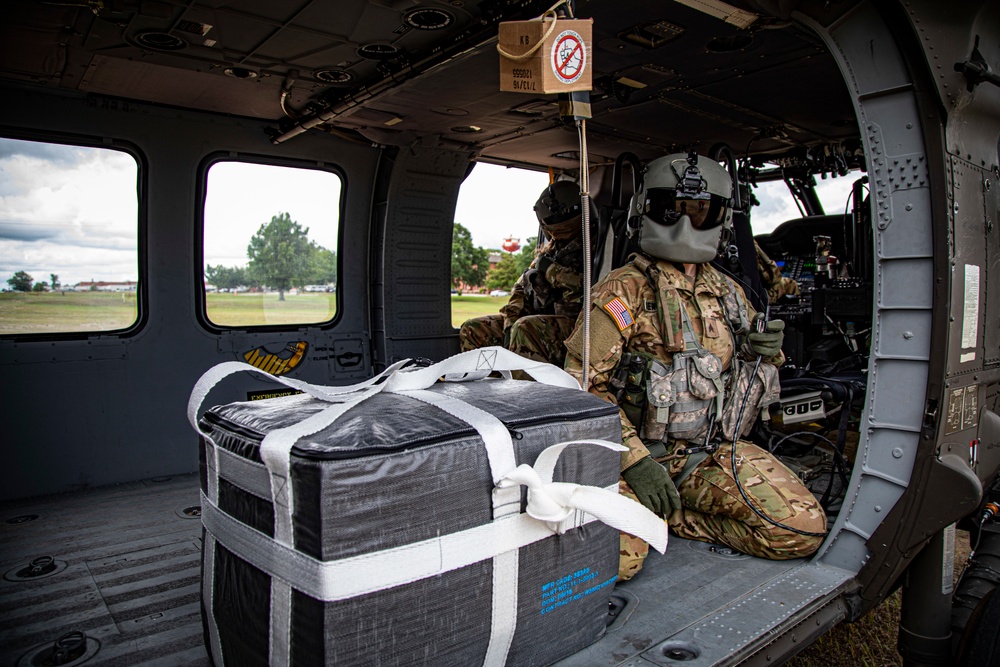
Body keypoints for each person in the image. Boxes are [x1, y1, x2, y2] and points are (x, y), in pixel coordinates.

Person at [563, 152, 826, 581]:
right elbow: (579, 387)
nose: (687, 224)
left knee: (798, 531)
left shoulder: (728, 291)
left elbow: (736, 372)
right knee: (618, 563)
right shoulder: (621, 292)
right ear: (646, 211)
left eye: (703, 212)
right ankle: (647, 517)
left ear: (721, 220)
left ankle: (673, 519)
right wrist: (634, 462)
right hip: (638, 457)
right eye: (673, 209)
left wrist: (765, 351)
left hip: (708, 454)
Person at [459, 180, 585, 366]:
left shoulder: (593, 249)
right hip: (539, 321)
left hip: (579, 326)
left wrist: (551, 272)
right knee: (473, 328)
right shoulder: (550, 252)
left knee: (524, 328)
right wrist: (510, 323)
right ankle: (485, 390)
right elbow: (521, 289)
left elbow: (587, 286)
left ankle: (523, 394)